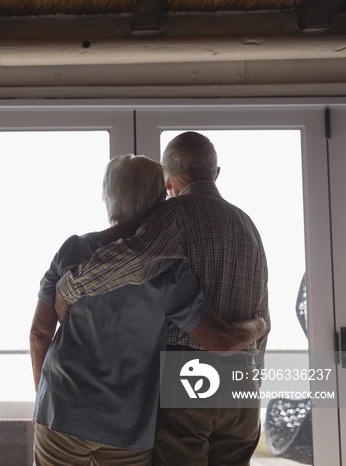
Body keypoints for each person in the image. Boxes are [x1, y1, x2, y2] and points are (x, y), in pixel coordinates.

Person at [31, 154, 266, 466]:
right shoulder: (170, 269)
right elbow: (217, 340)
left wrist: (45, 402)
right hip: (127, 427)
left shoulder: (71, 250)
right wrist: (260, 325)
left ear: (108, 196)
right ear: (160, 200)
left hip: (61, 410)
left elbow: (40, 332)